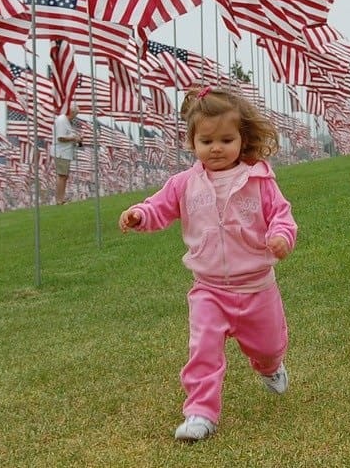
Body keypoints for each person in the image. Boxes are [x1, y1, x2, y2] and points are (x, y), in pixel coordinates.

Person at [119, 85, 297, 443]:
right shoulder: (184, 184)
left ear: (242, 139)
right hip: (209, 289)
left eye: (226, 140)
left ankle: (269, 366)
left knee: (267, 346)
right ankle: (200, 411)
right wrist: (140, 214)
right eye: (206, 141)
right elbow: (159, 207)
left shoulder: (259, 179)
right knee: (202, 349)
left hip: (257, 287)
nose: (216, 148)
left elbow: (282, 215)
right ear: (192, 143)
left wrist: (281, 237)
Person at [52, 105, 82, 204]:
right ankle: (59, 200)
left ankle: (61, 199)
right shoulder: (62, 120)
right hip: (61, 152)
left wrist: (76, 138)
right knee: (61, 176)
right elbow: (60, 138)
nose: (75, 116)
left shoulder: (66, 121)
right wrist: (74, 138)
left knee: (64, 176)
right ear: (72, 112)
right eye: (76, 114)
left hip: (66, 152)